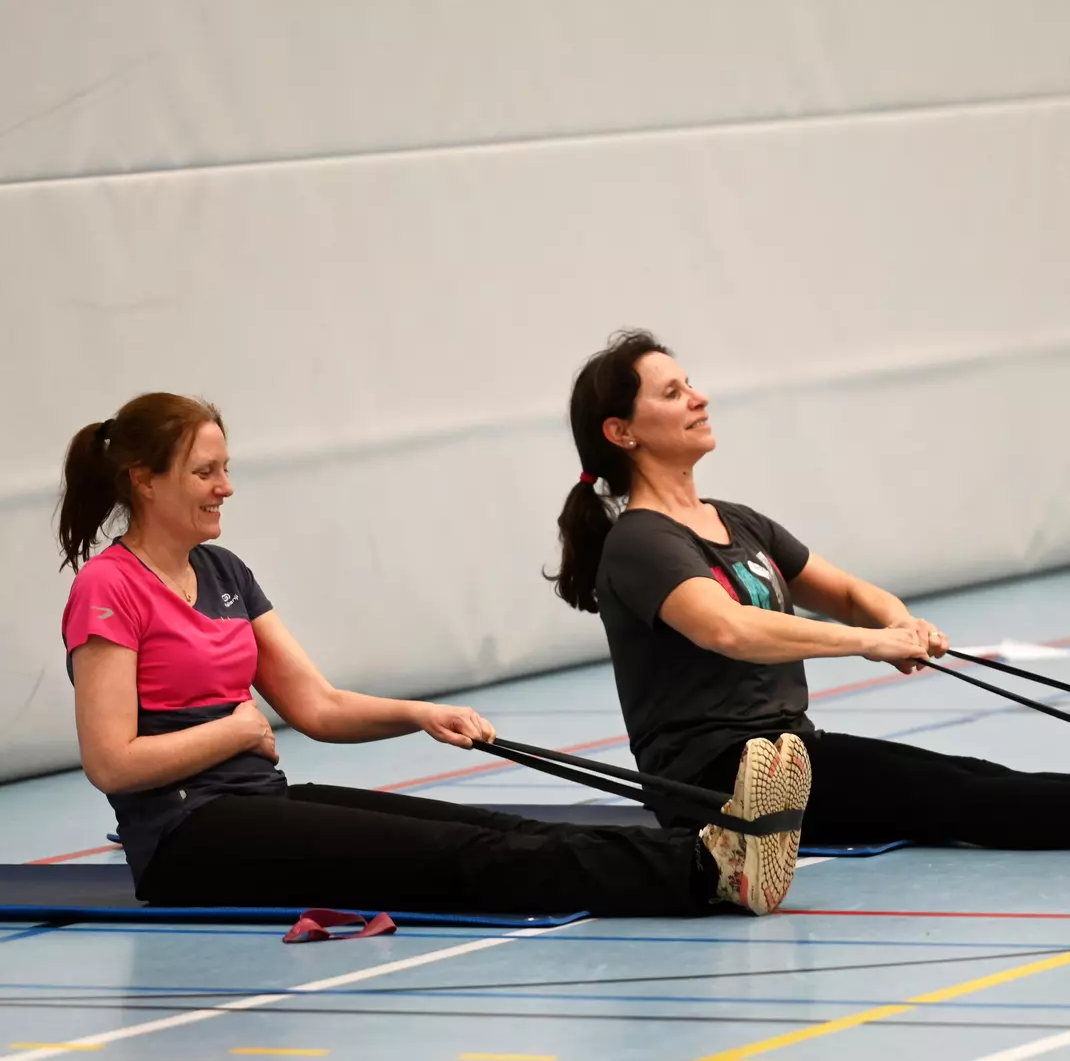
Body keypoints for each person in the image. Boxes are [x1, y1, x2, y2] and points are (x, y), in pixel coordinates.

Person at [56, 392, 811, 919]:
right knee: (457, 855)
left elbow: (317, 705)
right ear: (143, 481)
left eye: (226, 468)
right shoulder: (108, 588)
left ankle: (707, 848)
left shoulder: (223, 571)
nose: (226, 487)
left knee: (487, 824)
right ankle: (705, 874)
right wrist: (236, 730)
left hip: (255, 804)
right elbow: (112, 763)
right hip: (187, 841)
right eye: (205, 473)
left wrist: (419, 714)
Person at [549, 329, 1070, 849]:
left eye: (690, 384)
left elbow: (846, 595)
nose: (698, 398)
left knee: (975, 773)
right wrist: (870, 642)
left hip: (791, 753)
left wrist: (899, 622)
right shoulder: (640, 541)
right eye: (672, 393)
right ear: (622, 432)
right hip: (718, 779)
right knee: (962, 795)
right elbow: (728, 629)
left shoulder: (737, 521)